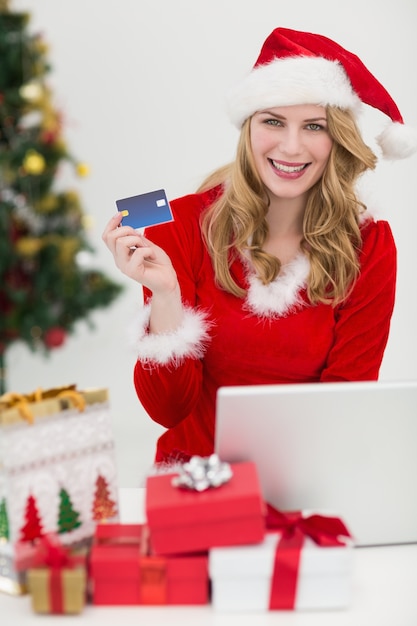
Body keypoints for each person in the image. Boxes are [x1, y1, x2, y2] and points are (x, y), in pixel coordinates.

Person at [103, 27, 417, 466]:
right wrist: (166, 295)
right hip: (194, 484)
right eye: (273, 121)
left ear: (338, 139)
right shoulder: (181, 226)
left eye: (314, 126)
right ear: (248, 127)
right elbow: (168, 411)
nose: (291, 147)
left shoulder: (368, 246)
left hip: (307, 483)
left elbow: (346, 407)